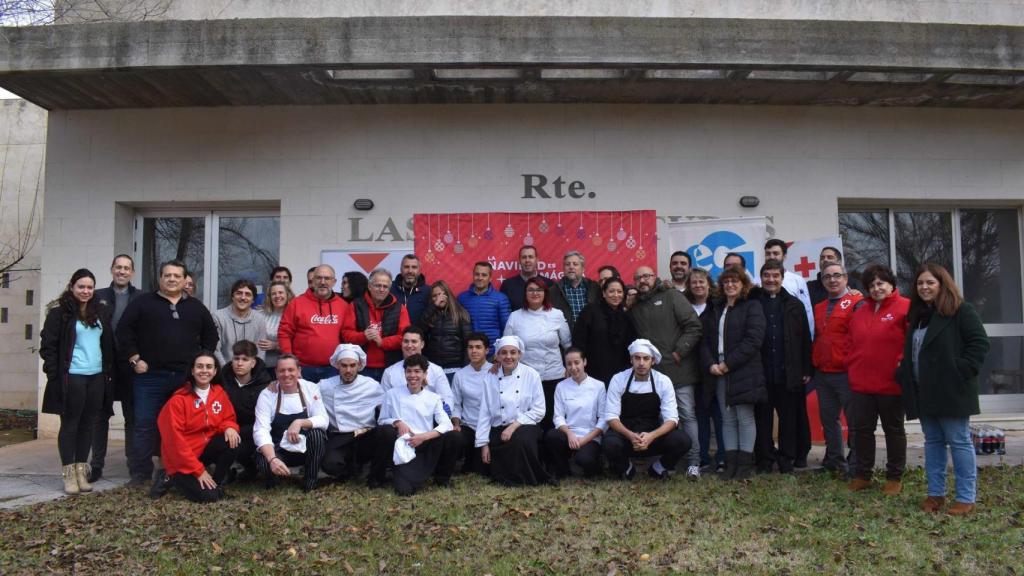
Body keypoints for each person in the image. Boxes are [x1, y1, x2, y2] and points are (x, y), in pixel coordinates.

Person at [897, 264, 989, 516]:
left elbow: (979, 342)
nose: (924, 287)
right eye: (920, 283)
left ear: (942, 284)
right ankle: (935, 494)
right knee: (933, 442)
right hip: (924, 391)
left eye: (930, 282)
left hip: (952, 389)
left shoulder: (961, 310)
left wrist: (961, 369)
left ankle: (965, 497)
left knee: (959, 442)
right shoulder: (918, 316)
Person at [118, 259, 218, 486]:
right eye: (167, 275)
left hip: (184, 379)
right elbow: (124, 332)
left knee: (185, 426)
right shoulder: (142, 303)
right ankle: (140, 473)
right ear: (160, 278)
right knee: (145, 425)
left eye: (177, 276)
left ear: (184, 280)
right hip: (149, 377)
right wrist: (135, 358)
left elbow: (211, 336)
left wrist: (201, 363)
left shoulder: (196, 307)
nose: (172, 279)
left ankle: (181, 468)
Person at [40, 268, 115, 495]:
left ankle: (82, 471)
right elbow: (48, 346)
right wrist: (53, 374)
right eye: (81, 286)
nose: (85, 291)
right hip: (72, 376)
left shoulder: (99, 312)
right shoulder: (60, 313)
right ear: (72, 287)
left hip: (96, 376)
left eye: (90, 287)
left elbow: (107, 343)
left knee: (88, 424)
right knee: (70, 424)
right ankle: (69, 474)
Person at [629, 266, 703, 480]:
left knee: (686, 415)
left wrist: (679, 351)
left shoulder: (672, 296)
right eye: (638, 277)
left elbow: (694, 326)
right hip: (654, 375)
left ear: (655, 277)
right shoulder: (636, 306)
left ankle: (694, 463)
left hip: (679, 371)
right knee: (662, 418)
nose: (643, 280)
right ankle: (669, 462)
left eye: (646, 276)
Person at [847, 264, 910, 494]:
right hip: (861, 383)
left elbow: (911, 342)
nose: (876, 288)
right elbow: (850, 342)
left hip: (891, 383)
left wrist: (901, 363)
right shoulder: (860, 311)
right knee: (862, 431)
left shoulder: (905, 307)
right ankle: (863, 475)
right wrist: (851, 363)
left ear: (891, 284)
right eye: (872, 285)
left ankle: (894, 477)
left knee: (894, 431)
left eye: (881, 283)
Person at [699, 268, 766, 480]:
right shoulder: (715, 308)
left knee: (744, 418)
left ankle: (744, 466)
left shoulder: (752, 306)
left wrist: (728, 364)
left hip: (743, 369)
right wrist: (711, 364)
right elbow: (704, 340)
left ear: (743, 284)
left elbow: (753, 340)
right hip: (717, 370)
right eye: (726, 281)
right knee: (727, 418)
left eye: (735, 281)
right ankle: (731, 465)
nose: (730, 285)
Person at [750, 261, 812, 474]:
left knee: (788, 420)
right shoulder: (753, 303)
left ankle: (786, 459)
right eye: (767, 275)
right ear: (761, 278)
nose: (771, 279)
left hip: (788, 373)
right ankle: (765, 460)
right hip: (761, 374)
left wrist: (806, 368)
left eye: (775, 275)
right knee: (762, 420)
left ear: (782, 278)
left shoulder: (795, 304)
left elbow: (805, 339)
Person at [153, 351, 240, 503]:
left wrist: (230, 427)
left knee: (232, 441)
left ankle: (216, 484)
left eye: (209, 367)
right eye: (200, 366)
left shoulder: (219, 393)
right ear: (192, 371)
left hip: (203, 450)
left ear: (215, 371)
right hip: (180, 458)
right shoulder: (178, 401)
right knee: (209, 497)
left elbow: (228, 418)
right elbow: (175, 442)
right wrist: (199, 471)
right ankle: (168, 476)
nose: (204, 370)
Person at [603, 339, 691, 480]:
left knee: (683, 440)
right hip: (626, 436)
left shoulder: (663, 381)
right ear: (631, 360)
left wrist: (651, 436)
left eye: (646, 358)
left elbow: (672, 419)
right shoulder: (618, 379)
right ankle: (627, 468)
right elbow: (611, 416)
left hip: (652, 436)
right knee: (609, 443)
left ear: (653, 361)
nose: (641, 363)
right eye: (637, 358)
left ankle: (658, 468)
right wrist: (631, 436)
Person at [89, 254, 141, 483]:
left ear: (132, 272)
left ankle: (134, 464)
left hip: (130, 365)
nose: (122, 271)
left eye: (126, 268)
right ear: (112, 269)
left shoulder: (141, 298)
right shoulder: (97, 296)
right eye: (118, 267)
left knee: (133, 417)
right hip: (103, 365)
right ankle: (96, 465)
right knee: (100, 416)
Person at [475, 336, 553, 486]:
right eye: (503, 352)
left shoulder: (531, 374)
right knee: (482, 462)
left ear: (520, 354)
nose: (508, 356)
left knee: (521, 441)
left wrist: (513, 426)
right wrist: (483, 444)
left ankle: (525, 479)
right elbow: (485, 412)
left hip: (525, 425)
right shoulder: (490, 377)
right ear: (498, 356)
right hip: (499, 427)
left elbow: (539, 410)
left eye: (513, 352)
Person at [812, 262, 865, 476]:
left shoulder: (857, 303)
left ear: (845, 278)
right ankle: (834, 462)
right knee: (829, 421)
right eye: (827, 277)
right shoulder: (819, 307)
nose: (832, 280)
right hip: (824, 373)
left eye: (837, 275)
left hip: (847, 373)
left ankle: (857, 465)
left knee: (854, 421)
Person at [503, 277, 571, 429]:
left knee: (553, 419)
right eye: (531, 290)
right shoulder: (515, 316)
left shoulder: (556, 314)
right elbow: (507, 346)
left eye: (539, 290)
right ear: (525, 293)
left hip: (554, 376)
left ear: (545, 293)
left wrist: (569, 367)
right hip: (525, 378)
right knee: (529, 421)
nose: (535, 293)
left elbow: (567, 344)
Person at [253, 355, 329, 492]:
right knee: (264, 459)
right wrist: (272, 459)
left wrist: (299, 422)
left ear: (299, 371)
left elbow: (323, 419)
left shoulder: (310, 388)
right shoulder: (267, 394)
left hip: (305, 450)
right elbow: (260, 430)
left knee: (318, 434)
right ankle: (275, 480)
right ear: (276, 373)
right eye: (282, 370)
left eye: (291, 370)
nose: (286, 374)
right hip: (280, 450)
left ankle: (310, 481)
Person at [318, 344, 384, 482]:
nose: (348, 370)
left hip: (366, 435)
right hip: (339, 436)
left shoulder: (371, 385)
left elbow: (386, 407)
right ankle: (351, 470)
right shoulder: (325, 386)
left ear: (359, 365)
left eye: (352, 365)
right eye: (344, 365)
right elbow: (305, 393)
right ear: (337, 365)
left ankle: (366, 467)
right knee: (330, 464)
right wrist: (276, 385)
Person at [686, 269, 726, 473]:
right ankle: (702, 457)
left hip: (715, 367)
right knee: (700, 414)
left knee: (719, 415)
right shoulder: (684, 306)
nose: (698, 285)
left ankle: (723, 457)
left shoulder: (718, 306)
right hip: (692, 368)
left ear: (709, 284)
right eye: (694, 282)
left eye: (701, 281)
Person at [544, 348, 606, 478]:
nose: (573, 367)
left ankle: (596, 464)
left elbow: (603, 419)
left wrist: (584, 440)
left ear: (584, 362)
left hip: (590, 436)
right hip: (569, 434)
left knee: (585, 460)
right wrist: (569, 434)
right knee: (552, 436)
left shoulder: (599, 386)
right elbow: (558, 416)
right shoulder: (561, 386)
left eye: (577, 362)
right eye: (569, 364)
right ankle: (563, 469)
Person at [278, 264, 345, 383]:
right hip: (303, 368)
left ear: (334, 282)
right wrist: (290, 362)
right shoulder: (297, 303)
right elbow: (284, 333)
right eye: (319, 278)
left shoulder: (343, 306)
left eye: (327, 278)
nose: (322, 282)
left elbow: (347, 336)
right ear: (312, 281)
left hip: (333, 369)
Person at [342, 268, 411, 381]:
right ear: (369, 286)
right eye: (378, 285)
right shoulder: (355, 305)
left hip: (390, 367)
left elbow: (405, 337)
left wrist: (382, 342)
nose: (382, 289)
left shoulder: (400, 308)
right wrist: (363, 336)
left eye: (385, 286)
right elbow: (346, 334)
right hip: (361, 367)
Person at [218, 340, 272, 482]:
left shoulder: (265, 386)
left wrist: (238, 432)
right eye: (236, 358)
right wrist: (228, 428)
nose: (239, 363)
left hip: (253, 433)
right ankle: (224, 472)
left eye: (245, 359)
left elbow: (264, 421)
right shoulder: (221, 381)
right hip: (225, 429)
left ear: (253, 363)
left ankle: (251, 468)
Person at [572, 277, 637, 386]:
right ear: (603, 293)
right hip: (593, 372)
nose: (616, 295)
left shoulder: (626, 316)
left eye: (619, 291)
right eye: (611, 291)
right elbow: (578, 341)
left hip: (620, 374)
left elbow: (631, 344)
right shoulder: (590, 311)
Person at [379, 326, 454, 410]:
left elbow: (447, 398)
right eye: (406, 341)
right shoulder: (389, 372)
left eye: (414, 341)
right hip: (398, 416)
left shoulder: (436, 370)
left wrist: (442, 413)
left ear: (422, 344)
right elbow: (383, 403)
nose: (409, 345)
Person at [450, 333, 491, 474]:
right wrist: (456, 424)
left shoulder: (496, 371)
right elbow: (456, 404)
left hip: (490, 426)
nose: (474, 351)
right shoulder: (460, 375)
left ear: (487, 350)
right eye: (470, 347)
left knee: (483, 469)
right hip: (468, 426)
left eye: (478, 347)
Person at [417, 280, 473, 382]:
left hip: (455, 368)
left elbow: (468, 343)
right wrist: (433, 306)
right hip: (433, 368)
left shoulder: (460, 314)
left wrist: (465, 369)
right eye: (434, 296)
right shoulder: (430, 314)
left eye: (440, 294)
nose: (438, 298)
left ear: (448, 295)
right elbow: (419, 331)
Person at [458, 261, 511, 356]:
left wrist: (500, 352)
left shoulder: (500, 298)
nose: (480, 278)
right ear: (473, 275)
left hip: (492, 354)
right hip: (470, 353)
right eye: (477, 274)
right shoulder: (462, 298)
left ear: (490, 278)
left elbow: (507, 329)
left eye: (484, 275)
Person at [764, 239, 815, 338]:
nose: (771, 257)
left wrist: (809, 339)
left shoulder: (798, 280)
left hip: (792, 336)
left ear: (784, 256)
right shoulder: (756, 281)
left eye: (776, 253)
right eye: (768, 254)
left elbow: (807, 311)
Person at [212, 279, 268, 365]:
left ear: (253, 300)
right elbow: (216, 350)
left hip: (251, 371)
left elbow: (260, 351)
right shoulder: (218, 317)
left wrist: (255, 370)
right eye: (239, 293)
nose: (243, 298)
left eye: (248, 294)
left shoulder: (259, 319)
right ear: (232, 296)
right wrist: (226, 370)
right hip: (224, 369)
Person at [549, 251, 601, 331]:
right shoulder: (553, 291)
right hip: (566, 337)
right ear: (563, 268)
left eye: (575, 264)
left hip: (590, 336)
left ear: (583, 269)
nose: (571, 267)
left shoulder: (594, 288)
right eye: (567, 264)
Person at [258, 280, 294, 380]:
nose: (277, 296)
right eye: (273, 293)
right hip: (260, 366)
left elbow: (298, 342)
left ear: (287, 294)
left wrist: (276, 345)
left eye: (280, 292)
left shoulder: (294, 315)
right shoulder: (261, 313)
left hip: (282, 367)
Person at [500, 245, 553, 311]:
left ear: (537, 260)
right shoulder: (507, 285)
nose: (527, 260)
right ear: (519, 261)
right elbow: (503, 311)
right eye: (524, 257)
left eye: (530, 257)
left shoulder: (549, 284)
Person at [391, 254, 430, 325]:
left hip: (419, 331)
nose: (410, 271)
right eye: (406, 267)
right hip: (394, 332)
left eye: (414, 267)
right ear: (401, 269)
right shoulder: (390, 288)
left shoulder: (428, 291)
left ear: (419, 270)